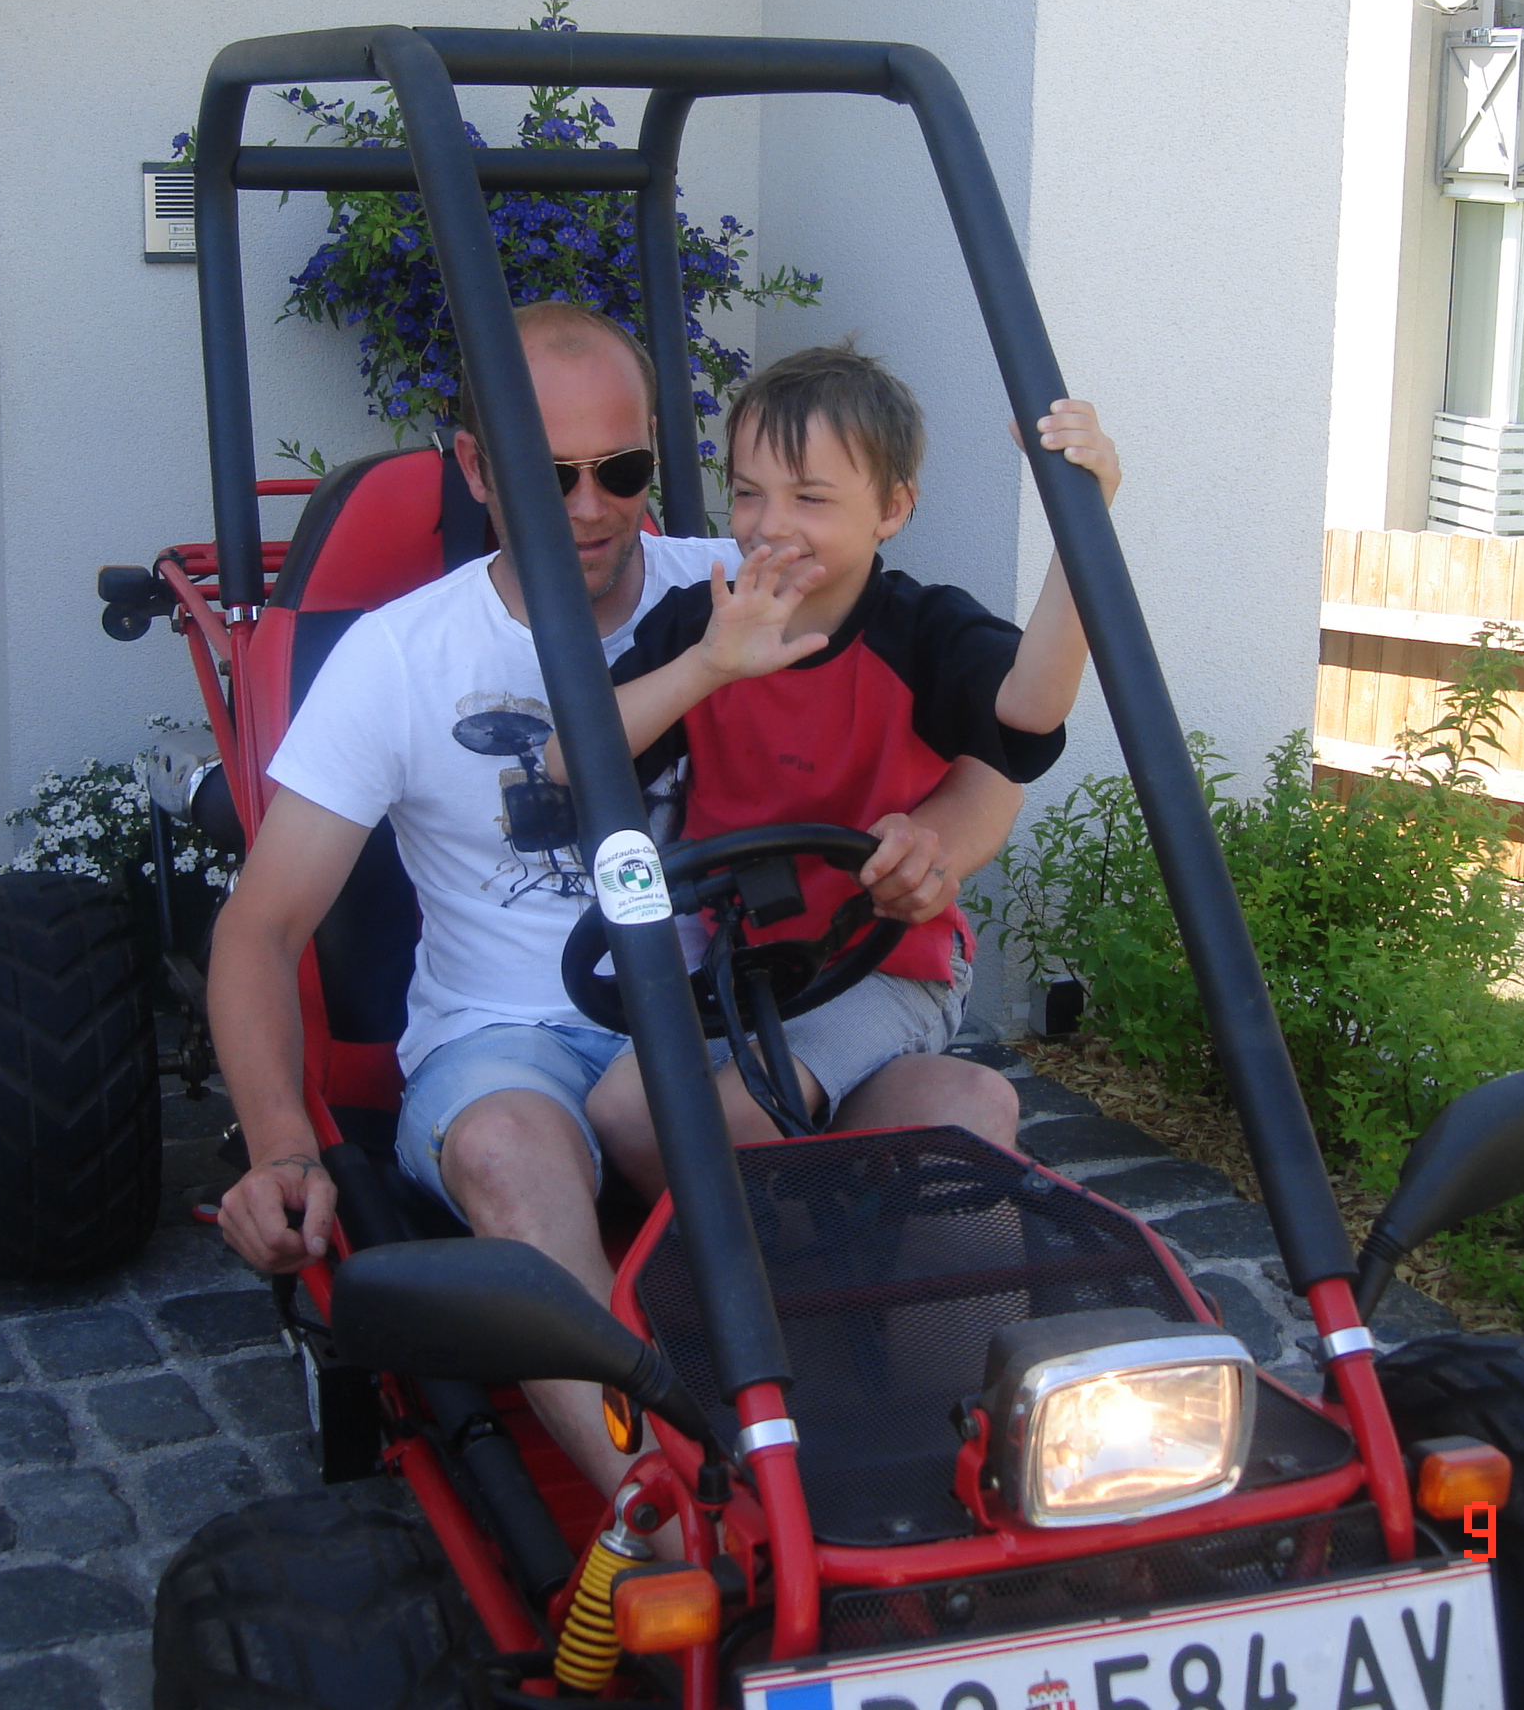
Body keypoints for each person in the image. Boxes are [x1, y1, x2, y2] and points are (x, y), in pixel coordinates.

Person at [204, 302, 1004, 1498]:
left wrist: (938, 839)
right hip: (512, 1039)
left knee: (964, 1104)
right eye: (548, 473)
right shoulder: (400, 657)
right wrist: (279, 1146)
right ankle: (672, 1518)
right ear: (478, 467)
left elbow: (986, 744)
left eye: (621, 471)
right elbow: (262, 928)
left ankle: (935, 1478)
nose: (588, 506)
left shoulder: (749, 580)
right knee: (509, 1149)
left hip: (737, 1010)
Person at [573, 341, 1119, 1196]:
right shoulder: (702, 628)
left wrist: (1079, 533)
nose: (769, 523)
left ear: (892, 508)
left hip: (883, 964)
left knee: (740, 1115)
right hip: (744, 968)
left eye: (811, 497)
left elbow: (1030, 709)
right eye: (747, 493)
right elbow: (573, 759)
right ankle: (797, 1238)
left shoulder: (922, 631)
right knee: (619, 1112)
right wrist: (706, 667)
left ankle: (792, 1258)